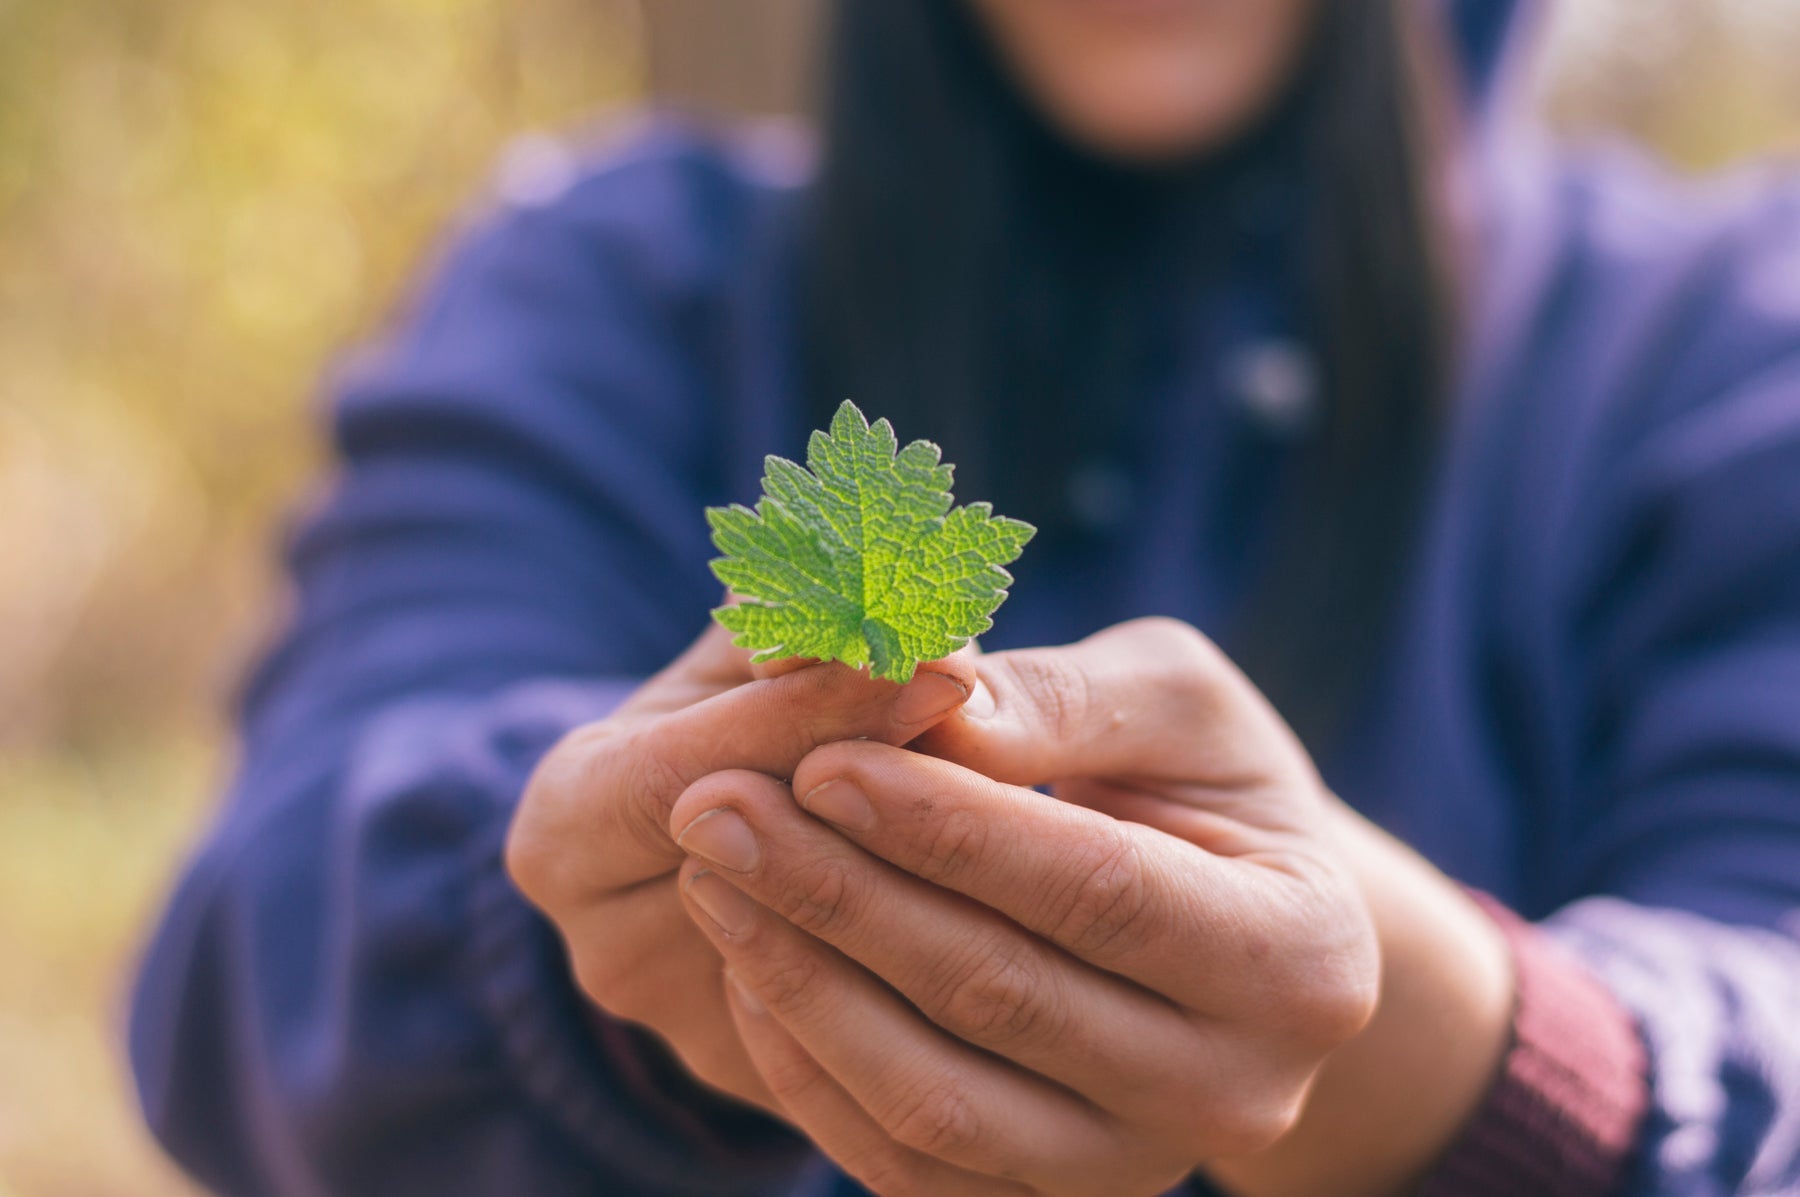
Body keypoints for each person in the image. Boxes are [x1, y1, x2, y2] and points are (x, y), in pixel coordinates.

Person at [129, 0, 1800, 1194]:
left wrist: (1487, 1056)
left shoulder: (1722, 346)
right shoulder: (612, 280)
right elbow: (256, 948)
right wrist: (595, 957)